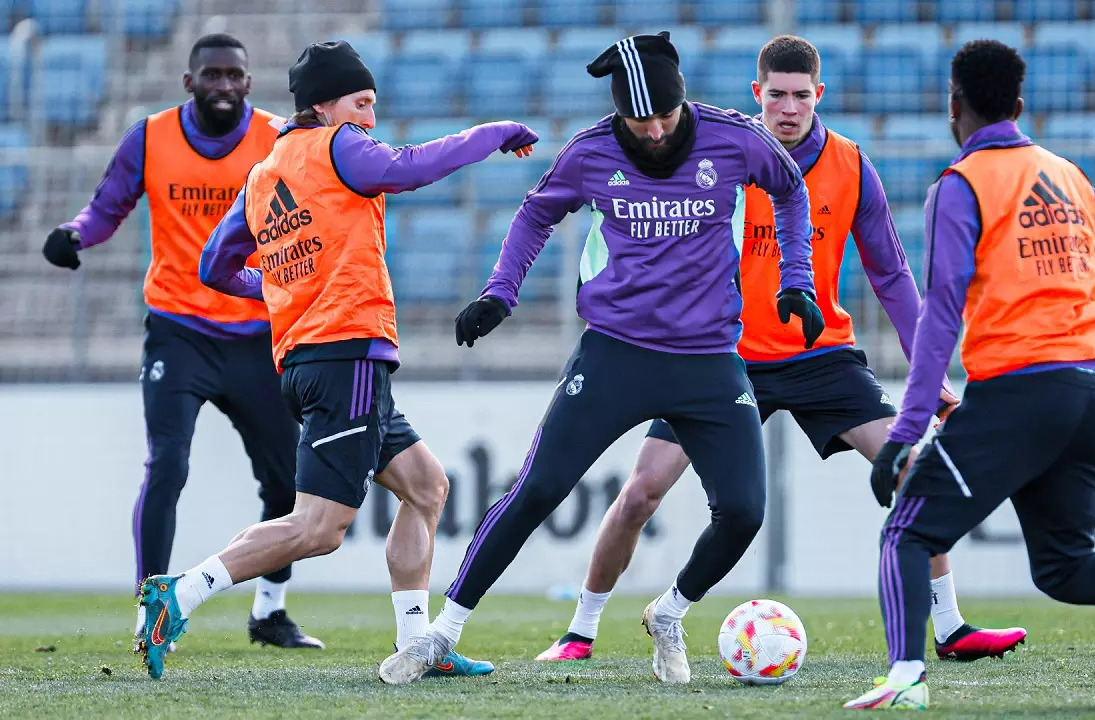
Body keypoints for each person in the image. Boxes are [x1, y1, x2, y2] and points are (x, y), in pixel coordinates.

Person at [534, 35, 1026, 666]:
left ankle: (950, 626)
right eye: (776, 95)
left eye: (800, 96)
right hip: (721, 355)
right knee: (642, 493)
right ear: (757, 94)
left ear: (818, 95)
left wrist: (932, 371)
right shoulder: (720, 152)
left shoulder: (851, 164)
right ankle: (581, 629)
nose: (788, 108)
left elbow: (892, 276)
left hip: (821, 353)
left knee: (913, 473)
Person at [377, 31, 824, 686]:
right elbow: (536, 215)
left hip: (707, 358)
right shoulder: (591, 152)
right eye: (639, 120)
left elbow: (789, 191)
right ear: (619, 114)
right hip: (616, 351)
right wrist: (500, 293)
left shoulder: (734, 138)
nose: (653, 131)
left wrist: (798, 280)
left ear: (682, 103)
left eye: (665, 117)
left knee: (745, 512)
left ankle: (670, 612)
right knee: (539, 488)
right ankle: (443, 633)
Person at [844, 40, 1095, 711]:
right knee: (1065, 567)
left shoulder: (959, 184)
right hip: (1090, 389)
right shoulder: (1067, 174)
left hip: (1022, 387)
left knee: (909, 532)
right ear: (1020, 105)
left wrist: (904, 433)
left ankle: (906, 677)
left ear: (954, 106)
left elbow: (940, 315)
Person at [133, 39, 539, 681]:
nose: (370, 118)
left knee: (427, 486)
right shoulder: (338, 145)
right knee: (319, 527)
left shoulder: (264, 172)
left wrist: (273, 286)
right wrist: (493, 133)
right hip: (345, 354)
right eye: (361, 102)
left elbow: (214, 265)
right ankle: (180, 594)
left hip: (312, 359)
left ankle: (417, 645)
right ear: (323, 105)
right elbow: (409, 167)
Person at [42, 33, 324, 650]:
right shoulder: (151, 137)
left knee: (285, 480)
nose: (223, 85)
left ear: (249, 83)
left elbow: (318, 209)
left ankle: (269, 612)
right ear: (189, 82)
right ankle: (153, 612)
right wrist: (75, 235)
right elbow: (106, 207)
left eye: (234, 75)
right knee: (167, 464)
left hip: (257, 333)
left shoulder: (278, 137)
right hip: (179, 332)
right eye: (212, 75)